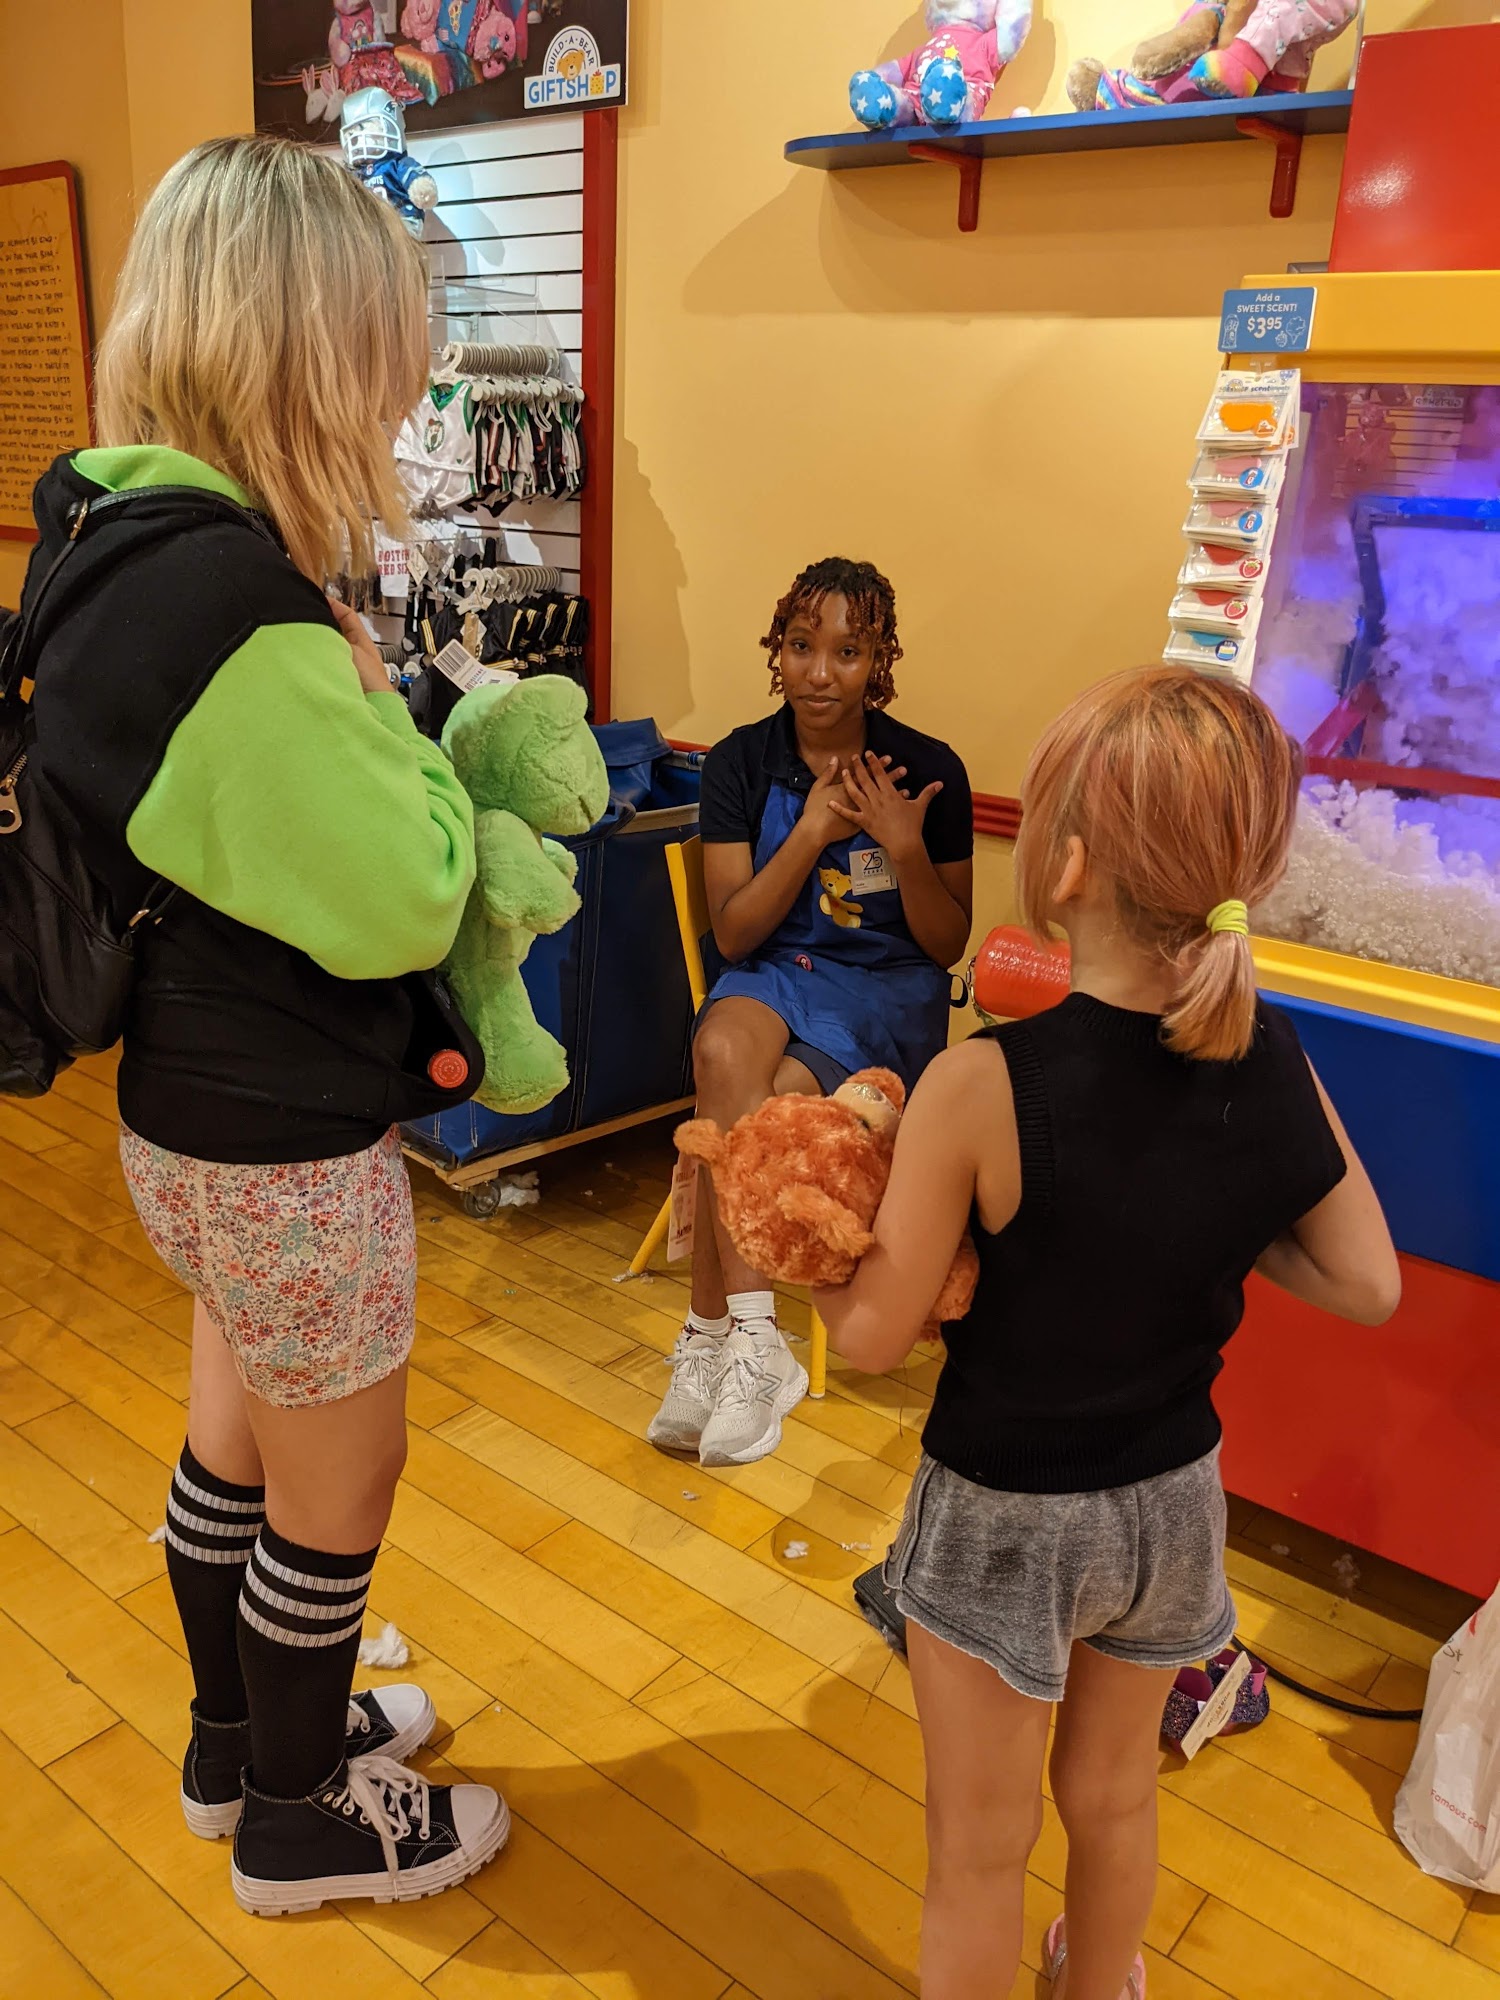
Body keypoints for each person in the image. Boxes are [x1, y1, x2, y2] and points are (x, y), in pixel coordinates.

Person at [21, 138, 508, 1915]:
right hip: (290, 1145)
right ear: (308, 356)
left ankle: (235, 1744)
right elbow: (410, 895)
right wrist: (393, 722)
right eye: (383, 359)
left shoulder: (105, 534)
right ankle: (305, 1814)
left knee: (237, 1433)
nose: (402, 399)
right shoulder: (247, 613)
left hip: (186, 1122)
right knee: (339, 1481)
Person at [814, 667, 1400, 2000]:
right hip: (1173, 1503)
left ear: (1067, 861)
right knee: (1118, 1796)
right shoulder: (1269, 1052)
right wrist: (1208, 1215)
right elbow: (1368, 1282)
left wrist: (804, 1247)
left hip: (1003, 1511)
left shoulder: (979, 1081)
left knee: (980, 1848)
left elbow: (873, 1336)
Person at [649, 557, 973, 1466]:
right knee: (722, 1056)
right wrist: (812, 832)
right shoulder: (741, 763)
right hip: (773, 970)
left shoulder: (927, 769)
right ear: (777, 650)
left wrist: (905, 847)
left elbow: (946, 944)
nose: (820, 673)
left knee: (748, 1112)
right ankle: (757, 1342)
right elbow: (735, 933)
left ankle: (710, 1335)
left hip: (881, 989)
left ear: (880, 661)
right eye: (801, 646)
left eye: (847, 651)